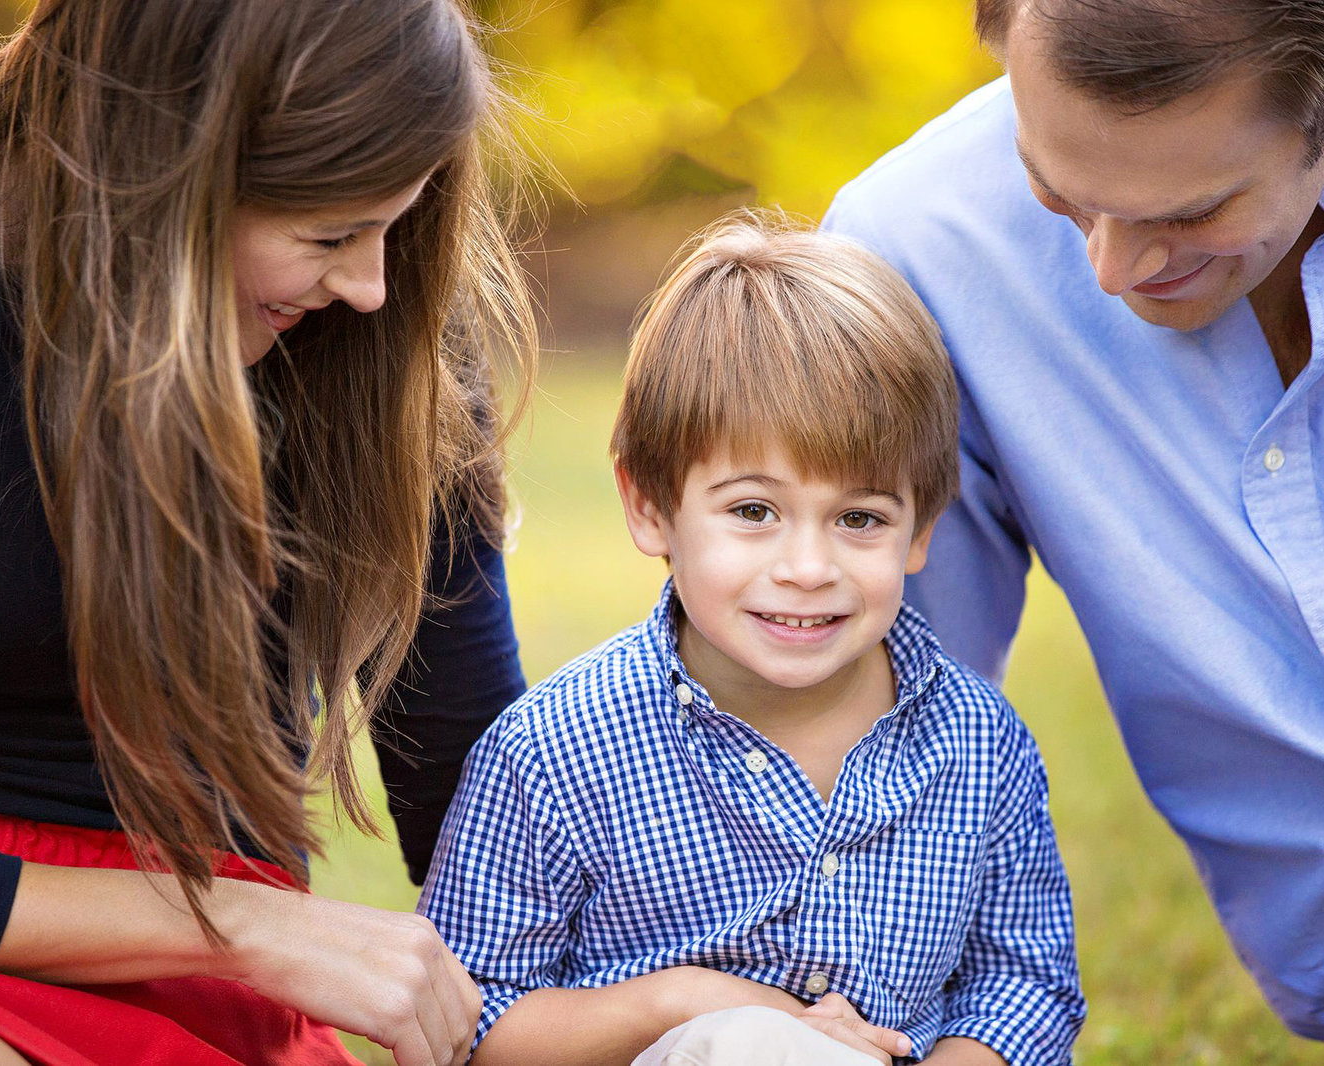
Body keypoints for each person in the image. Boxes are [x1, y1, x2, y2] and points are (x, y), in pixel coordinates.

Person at [822, 0, 1324, 1057]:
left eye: (1192, 211)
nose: (1111, 270)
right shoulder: (919, 258)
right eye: (1059, 196)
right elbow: (878, 732)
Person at [0, 1, 538, 1063]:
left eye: (394, 226)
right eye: (328, 236)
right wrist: (233, 926)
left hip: (238, 1003)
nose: (371, 286)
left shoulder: (372, 319)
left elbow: (468, 776)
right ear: (167, 166)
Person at [419, 214, 1085, 1066]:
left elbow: (1024, 988)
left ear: (921, 529)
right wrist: (681, 1000)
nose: (807, 567)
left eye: (859, 518)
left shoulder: (979, 746)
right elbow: (463, 1023)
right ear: (650, 505)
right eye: (753, 511)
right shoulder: (555, 755)